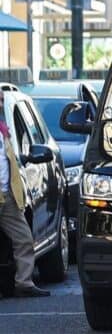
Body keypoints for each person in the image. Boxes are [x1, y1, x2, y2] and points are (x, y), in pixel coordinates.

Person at [0, 96, 49, 298]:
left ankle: (24, 283)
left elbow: (9, 164)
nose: (1, 104)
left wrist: (15, 193)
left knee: (24, 239)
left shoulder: (4, 131)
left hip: (8, 197)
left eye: (1, 100)